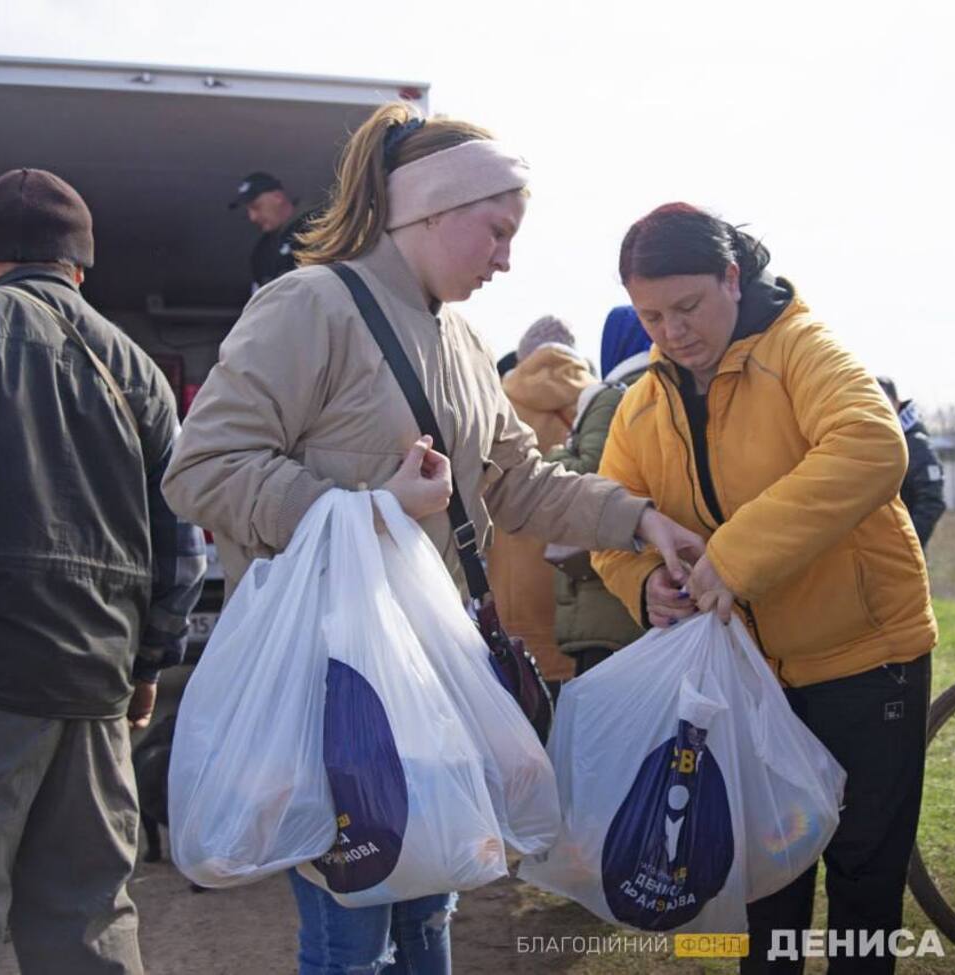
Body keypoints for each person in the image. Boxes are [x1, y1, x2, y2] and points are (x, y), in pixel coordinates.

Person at [162, 105, 703, 975]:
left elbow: (522, 484)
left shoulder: (462, 339)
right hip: (336, 694)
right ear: (430, 211)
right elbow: (201, 467)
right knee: (351, 940)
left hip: (434, 680)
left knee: (429, 919)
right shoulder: (307, 305)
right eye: (496, 230)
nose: (507, 257)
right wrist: (371, 506)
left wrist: (639, 519)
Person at [592, 203, 937, 974]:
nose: (671, 332)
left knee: (862, 880)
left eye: (687, 307)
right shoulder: (642, 400)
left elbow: (874, 445)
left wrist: (736, 556)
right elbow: (611, 519)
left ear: (731, 277)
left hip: (863, 657)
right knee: (764, 888)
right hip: (747, 682)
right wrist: (644, 581)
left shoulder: (800, 347)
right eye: (650, 315)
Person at [0, 168, 207, 974]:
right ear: (79, 266)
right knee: (88, 919)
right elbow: (182, 544)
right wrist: (149, 664)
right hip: (95, 686)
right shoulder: (137, 371)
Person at [543, 306, 652, 675]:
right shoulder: (665, 389)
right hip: (642, 581)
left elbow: (589, 475)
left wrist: (557, 453)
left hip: (605, 592)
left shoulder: (614, 395)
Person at [487, 314, 595, 683]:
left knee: (523, 698)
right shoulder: (595, 403)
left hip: (509, 585)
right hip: (578, 580)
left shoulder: (497, 405)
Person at [876, 377, 946, 549]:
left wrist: (904, 545)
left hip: (900, 555)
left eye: (882, 403)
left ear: (896, 403)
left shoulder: (914, 443)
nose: (878, 410)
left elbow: (932, 501)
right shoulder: (881, 441)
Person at [228, 170, 317, 292]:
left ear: (277, 197)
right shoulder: (261, 251)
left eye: (256, 207)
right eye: (248, 210)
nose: (252, 217)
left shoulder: (317, 226)